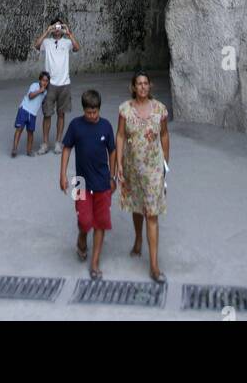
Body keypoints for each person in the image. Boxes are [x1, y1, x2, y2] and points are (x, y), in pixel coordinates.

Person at [115, 71, 169, 283]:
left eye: (146, 83)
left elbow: (164, 135)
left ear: (150, 86)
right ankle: (138, 239)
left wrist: (166, 164)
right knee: (137, 206)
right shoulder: (125, 109)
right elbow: (120, 135)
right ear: (133, 87)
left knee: (152, 214)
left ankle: (154, 266)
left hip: (154, 169)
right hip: (132, 167)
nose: (143, 87)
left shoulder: (160, 110)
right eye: (139, 84)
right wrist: (119, 164)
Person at [59, 88, 116, 278]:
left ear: (99, 109)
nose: (92, 115)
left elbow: (113, 151)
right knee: (84, 221)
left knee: (100, 223)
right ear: (83, 110)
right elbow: (67, 148)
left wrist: (113, 176)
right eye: (88, 112)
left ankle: (94, 264)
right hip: (80, 182)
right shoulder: (75, 126)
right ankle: (82, 237)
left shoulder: (106, 126)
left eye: (95, 112)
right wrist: (63, 174)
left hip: (102, 181)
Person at [33, 17, 78, 154]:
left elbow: (77, 48)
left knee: (61, 114)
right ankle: (45, 143)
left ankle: (58, 142)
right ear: (51, 28)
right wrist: (47, 32)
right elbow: (36, 45)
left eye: (60, 26)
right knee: (47, 114)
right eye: (55, 26)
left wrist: (69, 33)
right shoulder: (46, 42)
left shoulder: (67, 42)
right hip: (49, 84)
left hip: (64, 83)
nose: (57, 29)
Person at [12, 71, 50, 156]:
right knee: (19, 129)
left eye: (47, 81)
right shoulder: (34, 85)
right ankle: (14, 149)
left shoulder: (46, 92)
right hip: (24, 109)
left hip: (33, 114)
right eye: (43, 80)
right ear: (39, 80)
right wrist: (40, 90)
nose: (45, 82)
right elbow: (30, 96)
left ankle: (29, 151)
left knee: (30, 132)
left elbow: (42, 101)